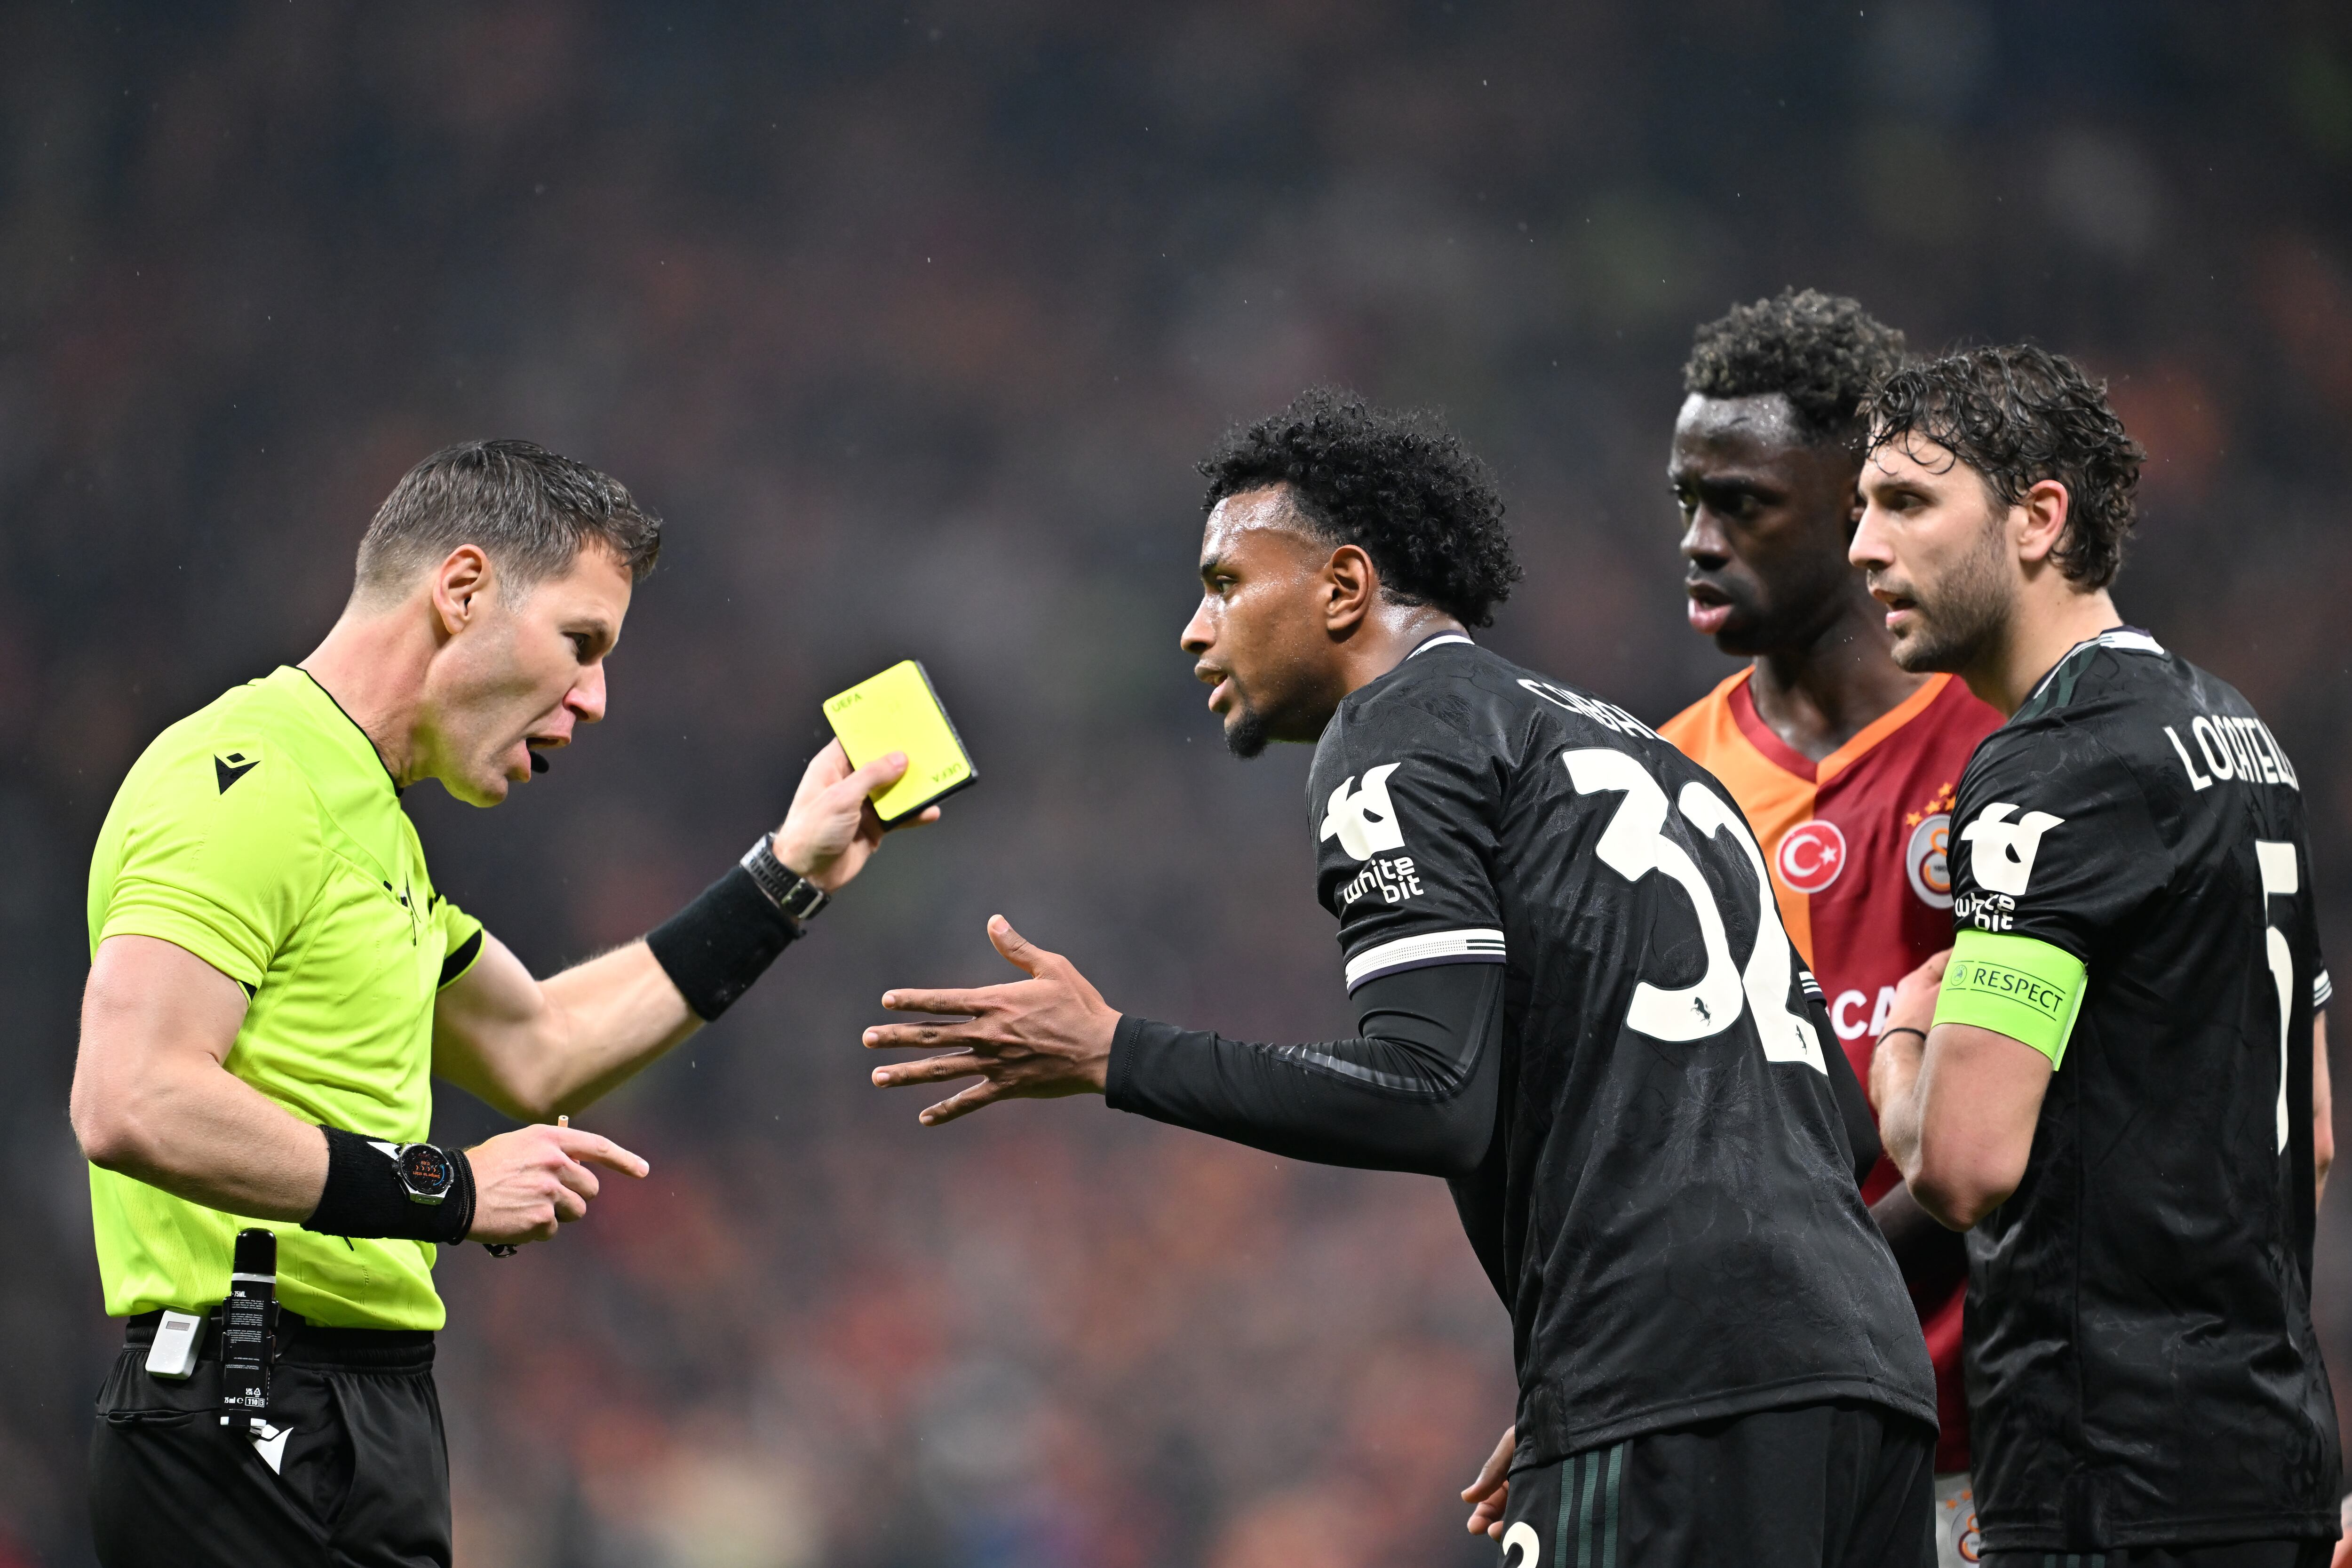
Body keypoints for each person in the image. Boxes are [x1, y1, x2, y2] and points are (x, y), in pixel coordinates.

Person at [864, 389, 1940, 1566]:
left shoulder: (1399, 724)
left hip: (1677, 1391)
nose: (1193, 628)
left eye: (1225, 584)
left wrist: (1114, 1052)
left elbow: (1431, 1088)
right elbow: (1831, 1136)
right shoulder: (1640, 749)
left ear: (1342, 588)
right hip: (1865, 1387)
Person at [69, 439, 932, 1568]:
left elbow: (543, 1045)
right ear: (463, 588)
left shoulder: (370, 826)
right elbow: (132, 1097)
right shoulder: (241, 778)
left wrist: (787, 874)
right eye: (582, 642)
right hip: (246, 1403)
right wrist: (449, 1184)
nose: (599, 695)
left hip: (353, 1406)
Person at [1851, 346, 2339, 1566]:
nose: (1864, 546)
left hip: (2105, 1483)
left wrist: (1904, 1038)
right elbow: (2314, 1134)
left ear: (2039, 516)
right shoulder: (2238, 734)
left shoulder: (2051, 767)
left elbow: (1962, 1165)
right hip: (2262, 1453)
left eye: (1907, 502)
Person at [1653, 288, 2001, 1565]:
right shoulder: (1657, 784)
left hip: (1987, 1435)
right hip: (1760, 1440)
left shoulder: (2008, 747)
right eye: (1686, 499)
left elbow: (2011, 1133)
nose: (1697, 538)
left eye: (1740, 502)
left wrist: (1786, 1316)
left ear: (1862, 506)